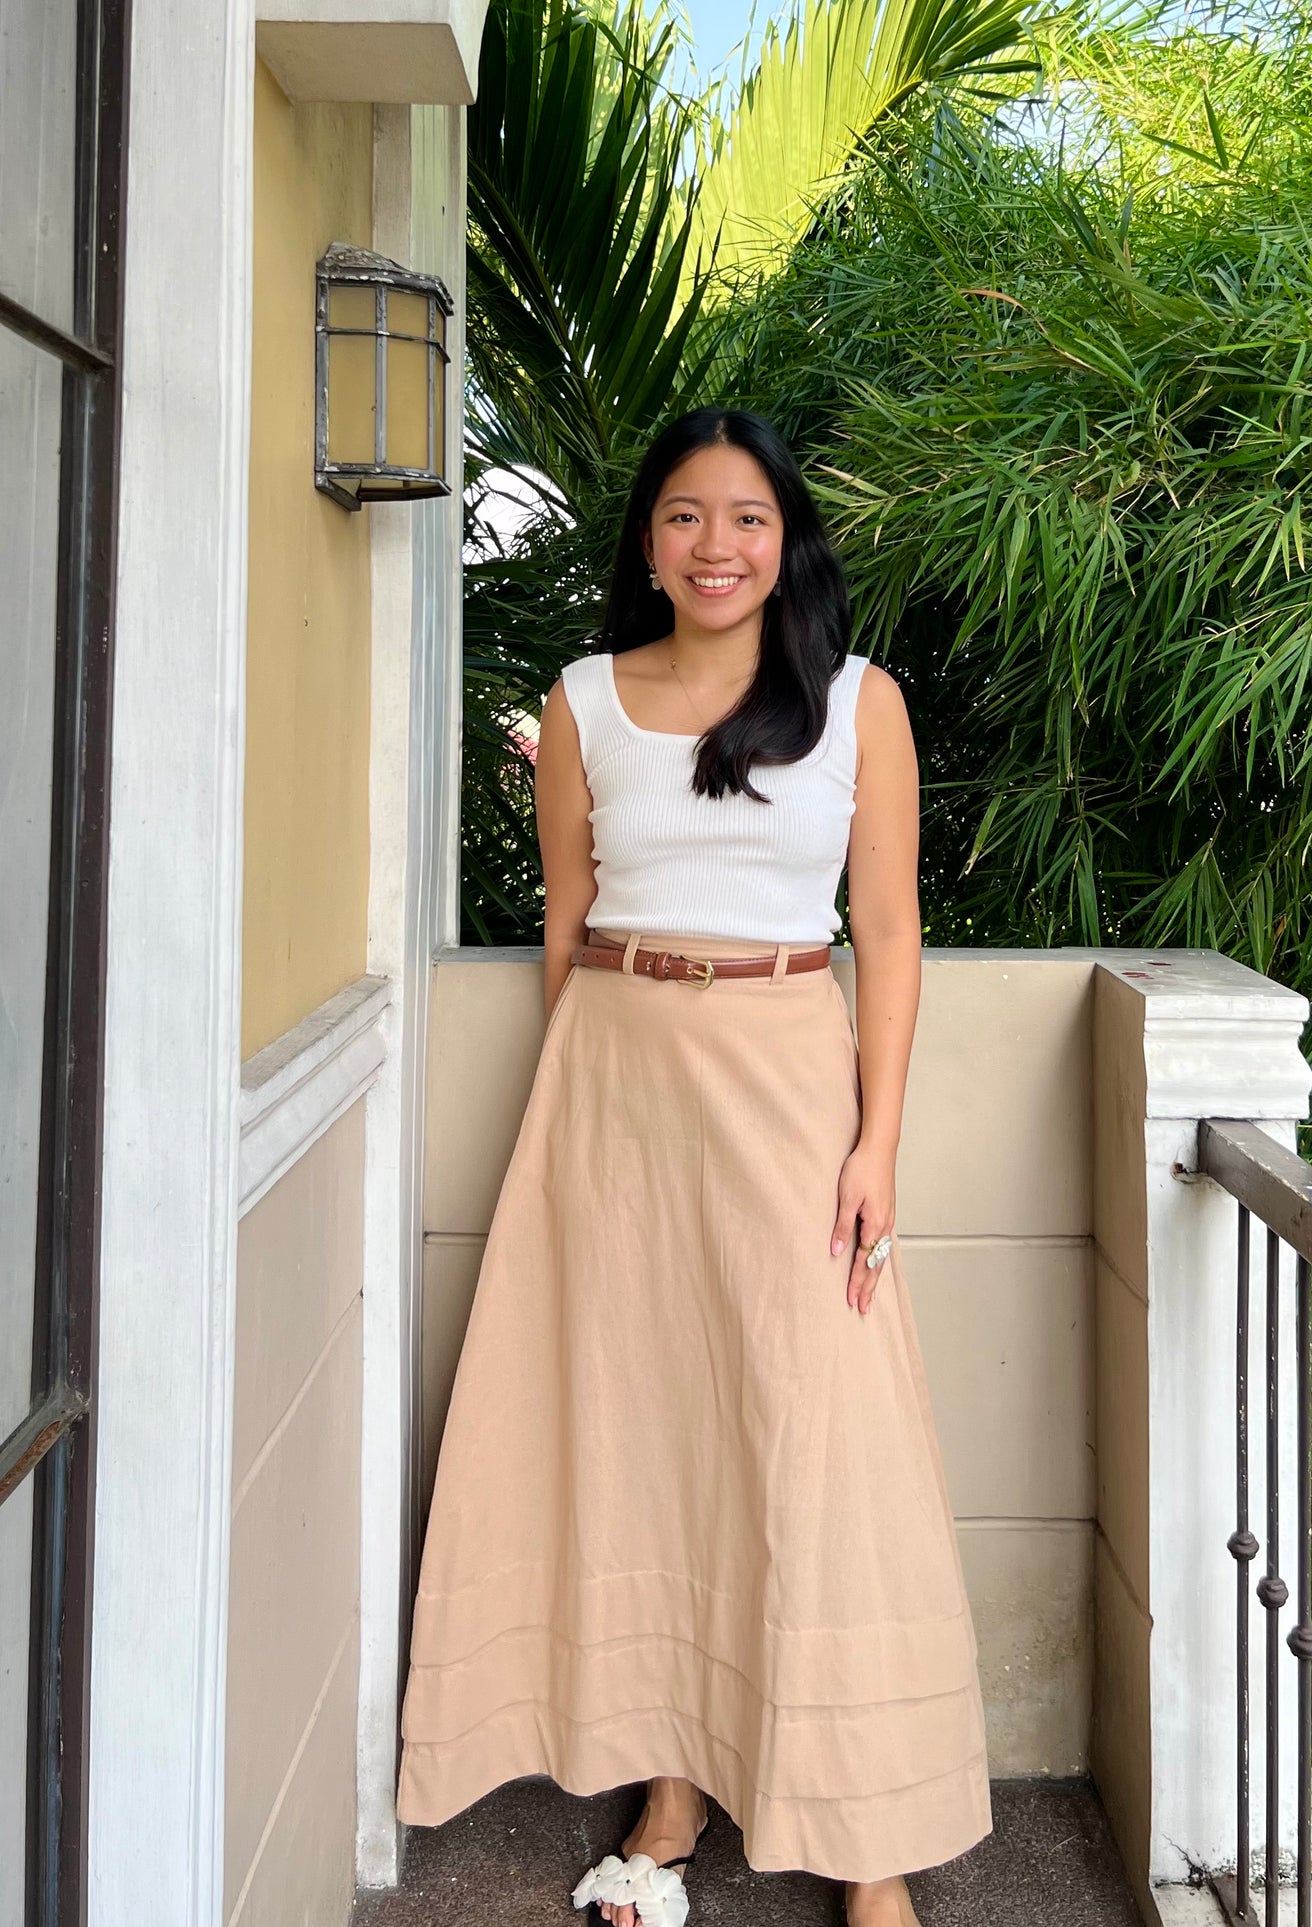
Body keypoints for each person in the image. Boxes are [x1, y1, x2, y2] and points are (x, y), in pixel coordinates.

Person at [395, 407, 992, 1927]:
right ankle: (667, 1791)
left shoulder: (858, 702)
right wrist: (570, 1114)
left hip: (790, 1081)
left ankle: (869, 1846)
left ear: (786, 542)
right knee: (643, 1436)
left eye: (743, 517)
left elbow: (894, 934)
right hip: (613, 1088)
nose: (713, 546)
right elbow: (565, 916)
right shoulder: (584, 697)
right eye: (681, 516)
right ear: (645, 542)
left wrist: (877, 1144)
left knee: (821, 1449)